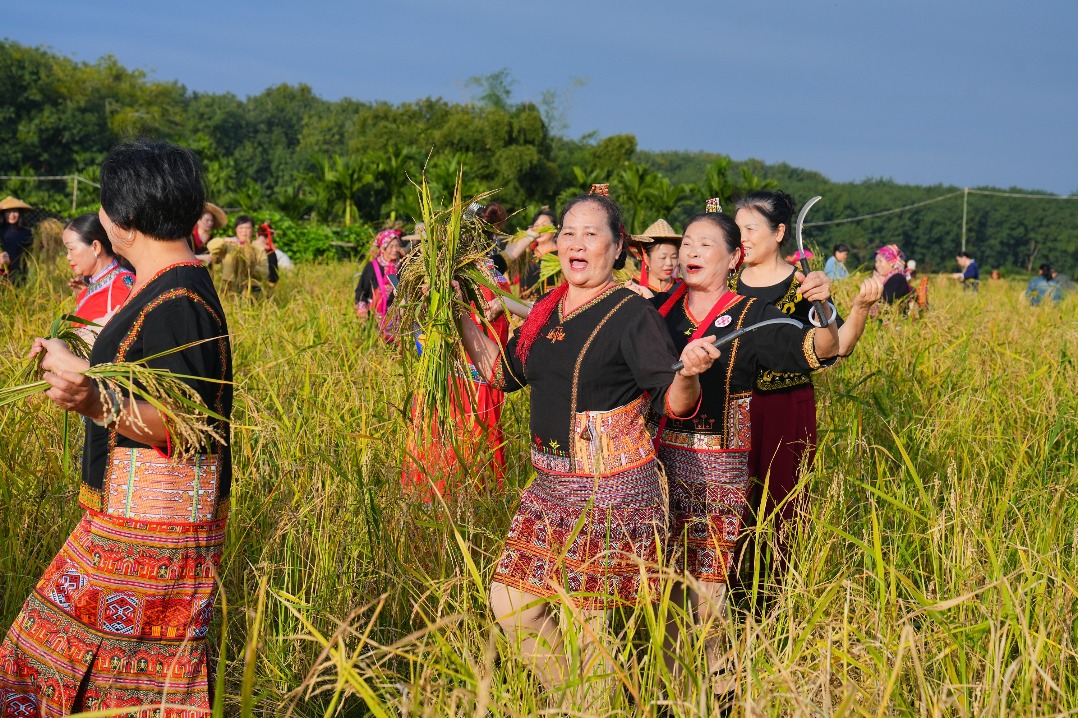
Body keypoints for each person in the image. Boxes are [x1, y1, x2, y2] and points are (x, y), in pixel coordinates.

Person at [0, 139, 233, 715]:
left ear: (122, 219)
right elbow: (153, 382)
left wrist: (91, 399)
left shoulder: (178, 296)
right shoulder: (161, 287)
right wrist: (76, 355)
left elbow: (189, 422)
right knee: (71, 662)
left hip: (152, 532)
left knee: (76, 668)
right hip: (131, 523)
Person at [455, 193, 719, 694]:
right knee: (511, 604)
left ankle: (595, 700)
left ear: (618, 247)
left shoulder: (631, 313)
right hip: (549, 486)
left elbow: (674, 400)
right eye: (569, 233)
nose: (577, 244)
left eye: (592, 234)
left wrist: (689, 372)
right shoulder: (548, 307)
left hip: (610, 490)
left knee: (586, 628)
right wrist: (455, 313)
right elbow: (502, 372)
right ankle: (581, 694)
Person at [651, 206, 881, 698]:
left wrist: (823, 308)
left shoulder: (754, 317)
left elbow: (820, 351)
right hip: (653, 469)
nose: (691, 251)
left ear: (734, 258)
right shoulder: (658, 310)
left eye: (706, 244)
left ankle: (722, 694)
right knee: (660, 589)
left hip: (714, 473)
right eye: (687, 243)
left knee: (705, 593)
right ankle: (666, 694)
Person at [730, 190, 871, 589]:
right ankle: (724, 590)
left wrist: (858, 309)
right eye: (736, 228)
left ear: (778, 233)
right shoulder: (724, 280)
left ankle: (772, 595)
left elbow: (839, 346)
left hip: (784, 408)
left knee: (782, 501)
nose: (741, 236)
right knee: (729, 499)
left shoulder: (804, 285)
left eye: (750, 228)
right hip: (728, 408)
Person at [403, 258, 513, 499]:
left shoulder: (484, 280)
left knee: (456, 446)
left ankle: (451, 502)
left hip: (470, 382)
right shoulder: (487, 278)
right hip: (461, 381)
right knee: (460, 445)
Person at [63, 213, 135, 343]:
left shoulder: (122, 285)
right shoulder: (93, 286)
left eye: (71, 249)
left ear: (95, 247)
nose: (68, 257)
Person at [494, 207, 559, 299]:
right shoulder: (526, 254)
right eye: (536, 226)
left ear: (554, 230)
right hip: (522, 308)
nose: (539, 229)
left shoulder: (560, 256)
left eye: (544, 225)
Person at [206, 214, 278, 293]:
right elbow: (211, 246)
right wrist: (225, 240)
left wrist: (249, 266)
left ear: (252, 230)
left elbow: (265, 273)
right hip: (229, 287)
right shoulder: (228, 245)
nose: (244, 231)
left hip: (251, 289)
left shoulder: (258, 249)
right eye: (241, 228)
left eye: (247, 228)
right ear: (236, 229)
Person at [354, 228, 404, 341]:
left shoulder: (402, 266)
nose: (395, 250)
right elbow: (361, 291)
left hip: (397, 317)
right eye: (391, 246)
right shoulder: (372, 267)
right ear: (382, 247)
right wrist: (362, 313)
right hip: (375, 318)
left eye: (397, 246)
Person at [627, 218, 681, 298]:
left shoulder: (682, 288)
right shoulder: (633, 288)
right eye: (663, 257)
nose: (669, 263)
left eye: (674, 257)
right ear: (646, 257)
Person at [0, 196, 35, 281]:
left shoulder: (27, 231)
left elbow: (30, 250)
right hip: (2, 270)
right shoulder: (0, 230)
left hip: (20, 271)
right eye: (8, 211)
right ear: (4, 213)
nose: (12, 215)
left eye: (15, 211)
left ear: (20, 213)